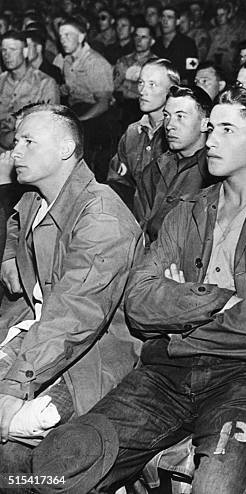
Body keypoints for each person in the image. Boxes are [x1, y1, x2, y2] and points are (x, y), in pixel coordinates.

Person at [33, 87, 246, 494]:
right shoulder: (186, 211)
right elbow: (139, 302)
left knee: (215, 488)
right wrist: (219, 300)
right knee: (62, 465)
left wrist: (178, 309)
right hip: (166, 372)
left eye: (226, 129)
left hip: (241, 381)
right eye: (210, 129)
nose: (212, 139)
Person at [0, 104, 142, 472]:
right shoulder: (36, 197)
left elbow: (73, 318)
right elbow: (17, 224)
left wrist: (14, 387)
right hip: (42, 337)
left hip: (92, 358)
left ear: (65, 149)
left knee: (14, 444)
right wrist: (8, 256)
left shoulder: (101, 219)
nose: (16, 151)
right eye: (16, 141)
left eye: (29, 141)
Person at [136, 85, 215, 243]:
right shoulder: (154, 170)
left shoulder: (214, 174)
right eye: (166, 116)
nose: (169, 125)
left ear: (205, 124)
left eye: (180, 116)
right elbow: (140, 231)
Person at [107, 58, 177, 213]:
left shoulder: (177, 135)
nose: (143, 91)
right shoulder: (132, 133)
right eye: (141, 83)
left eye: (152, 85)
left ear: (171, 90)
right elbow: (119, 182)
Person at [56, 17, 114, 183]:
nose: (63, 40)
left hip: (96, 116)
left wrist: (79, 120)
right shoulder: (66, 60)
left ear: (81, 37)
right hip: (76, 110)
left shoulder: (96, 63)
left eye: (68, 35)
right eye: (61, 36)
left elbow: (104, 103)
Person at [0, 31, 59, 150]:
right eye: (4, 50)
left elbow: (47, 128)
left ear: (25, 52)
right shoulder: (1, 81)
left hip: (26, 149)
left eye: (13, 49)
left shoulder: (45, 83)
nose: (7, 55)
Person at [113, 23, 158, 132]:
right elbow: (115, 86)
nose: (138, 40)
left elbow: (153, 92)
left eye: (143, 37)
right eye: (136, 36)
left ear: (152, 41)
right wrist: (137, 87)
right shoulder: (123, 60)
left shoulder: (156, 64)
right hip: (123, 108)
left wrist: (128, 84)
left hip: (145, 109)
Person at [151, 7, 198, 84]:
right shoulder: (156, 44)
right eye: (163, 17)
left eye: (169, 17)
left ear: (177, 22)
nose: (165, 21)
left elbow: (192, 73)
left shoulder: (188, 44)